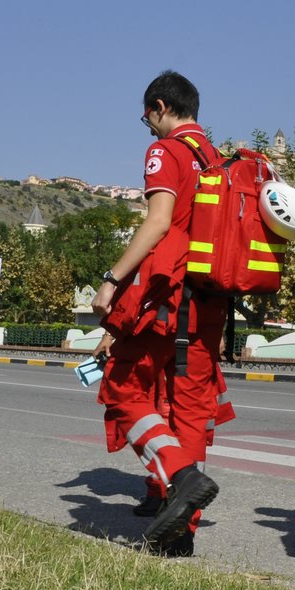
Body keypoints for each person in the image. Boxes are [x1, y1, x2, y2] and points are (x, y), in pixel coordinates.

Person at [91, 71, 227, 554]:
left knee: (123, 387)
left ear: (160, 106)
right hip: (211, 303)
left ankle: (179, 475)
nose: (147, 126)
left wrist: (112, 281)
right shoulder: (216, 158)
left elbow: (159, 221)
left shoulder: (166, 151)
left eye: (147, 116)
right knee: (188, 410)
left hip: (169, 299)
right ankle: (179, 535)